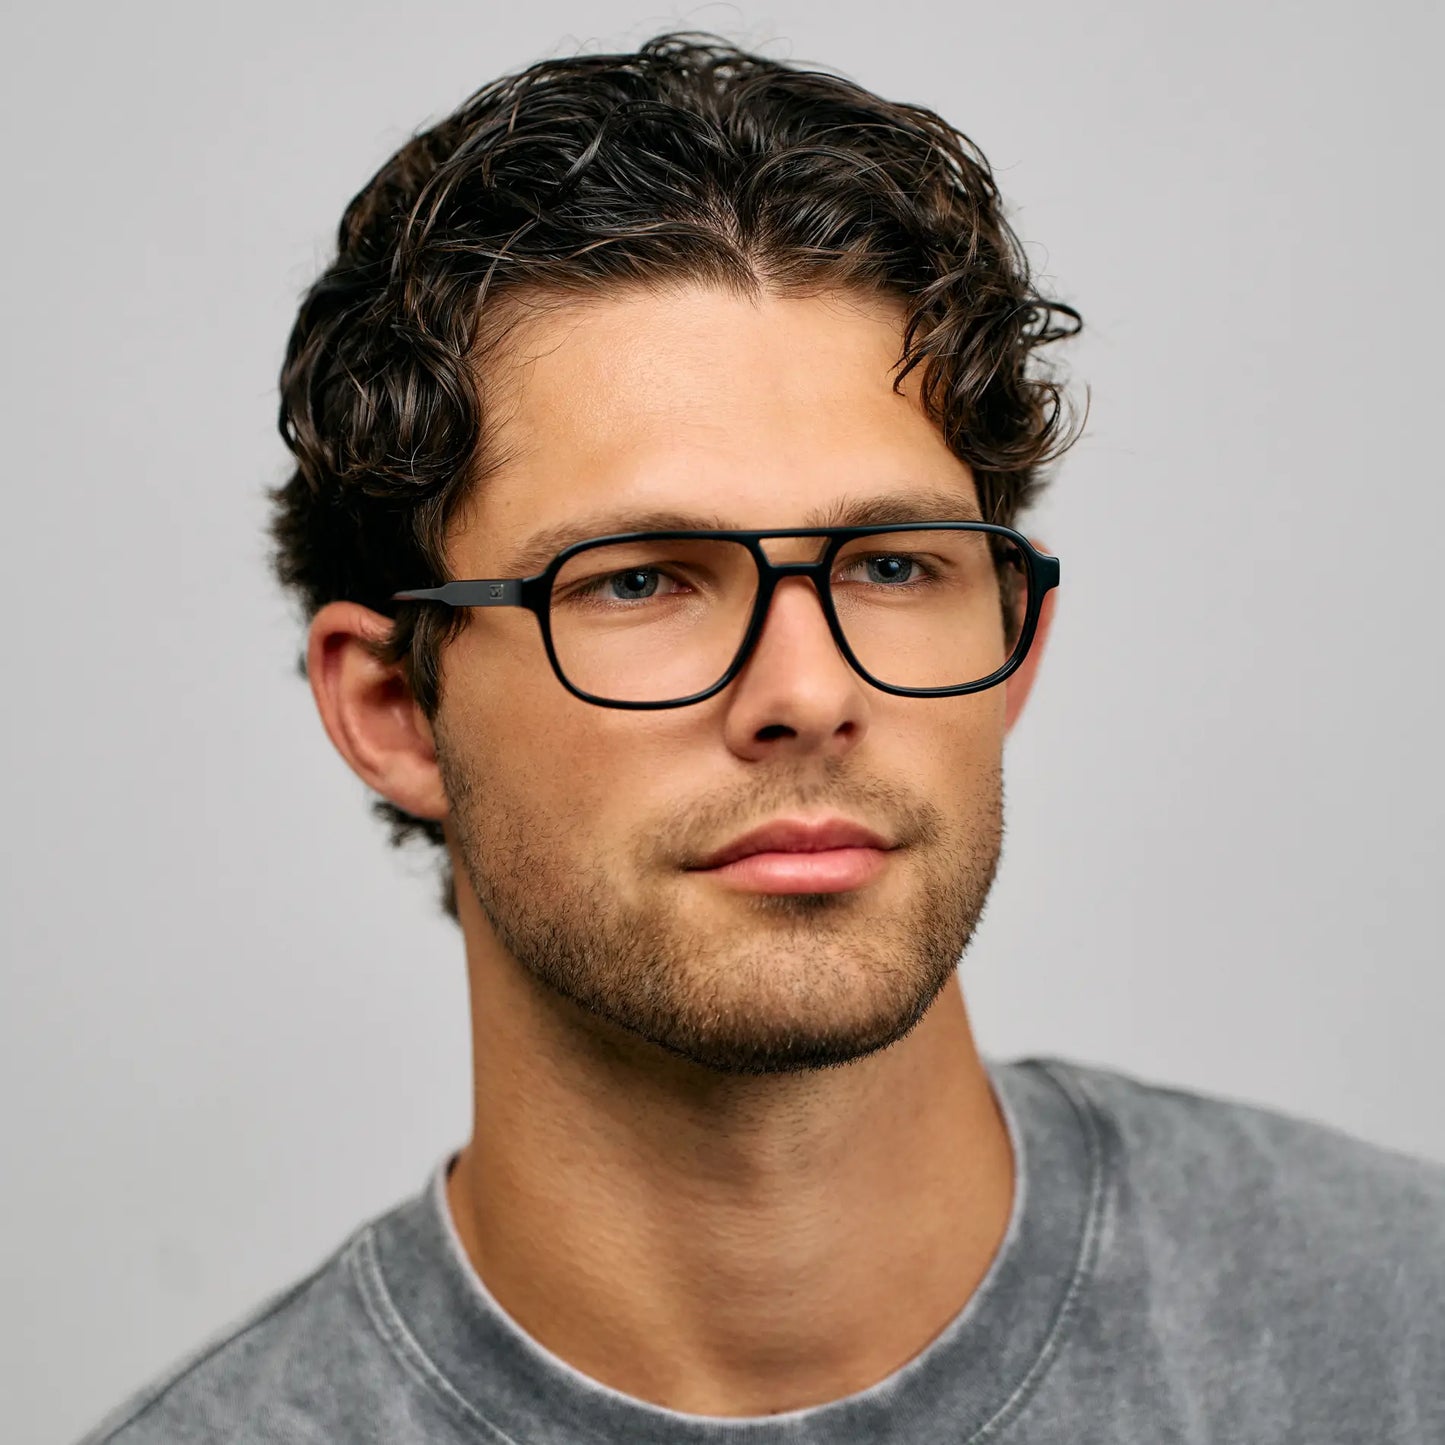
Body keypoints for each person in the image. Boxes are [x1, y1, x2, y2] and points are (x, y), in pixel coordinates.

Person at [77, 30, 1443, 1445]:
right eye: (638, 579)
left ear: (1010, 648)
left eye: (894, 566)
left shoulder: (1400, 1332)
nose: (804, 689)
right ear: (393, 710)